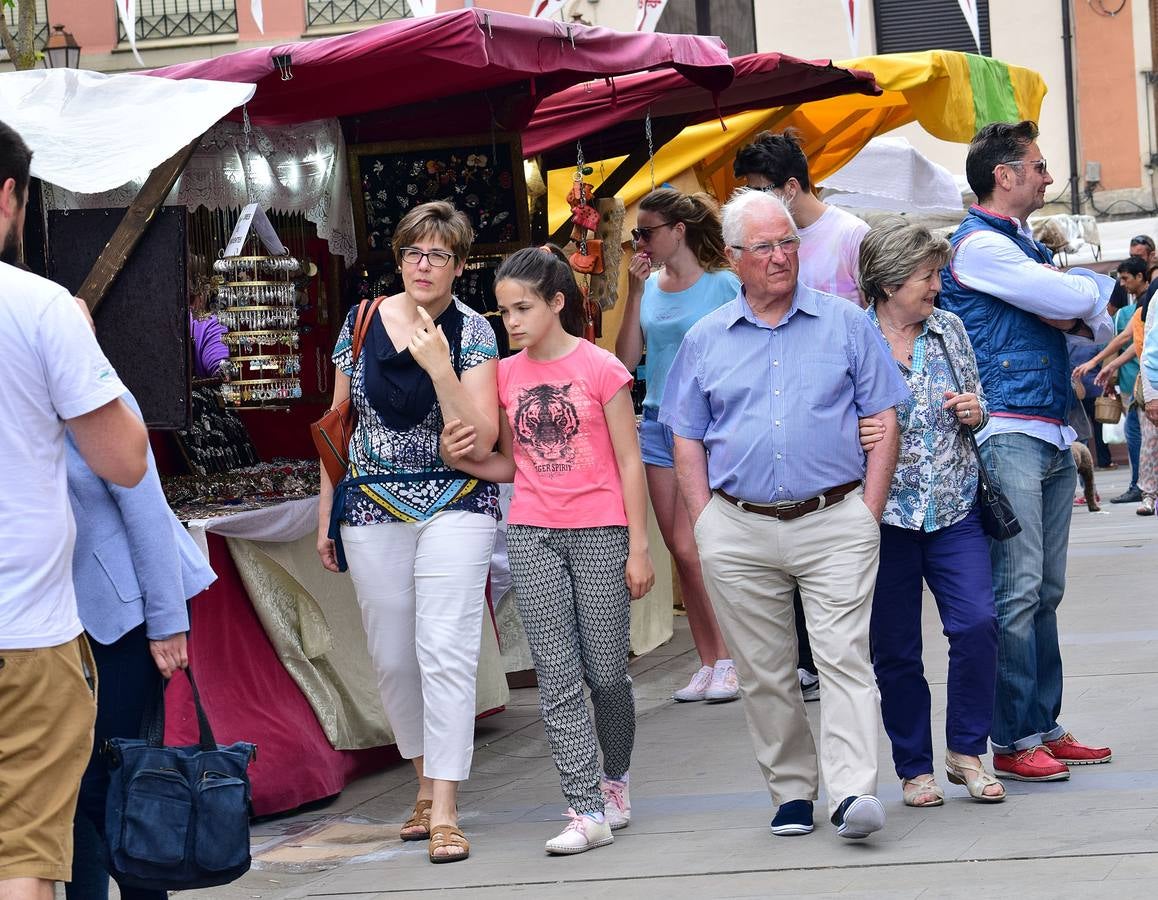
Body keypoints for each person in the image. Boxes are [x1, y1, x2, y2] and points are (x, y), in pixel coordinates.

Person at [661, 189, 908, 841]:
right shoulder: (705, 338)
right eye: (764, 247)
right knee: (764, 671)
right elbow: (684, 434)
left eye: (788, 243)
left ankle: (853, 792)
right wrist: (705, 519)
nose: (780, 257)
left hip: (834, 519)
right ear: (735, 259)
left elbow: (883, 416)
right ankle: (793, 790)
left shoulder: (846, 323)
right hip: (737, 526)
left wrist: (868, 513)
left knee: (844, 657)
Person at [441, 246, 653, 855]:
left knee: (607, 673)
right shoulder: (505, 376)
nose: (510, 321)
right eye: (504, 310)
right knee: (558, 677)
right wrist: (469, 460)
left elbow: (629, 461)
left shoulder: (602, 368)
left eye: (522, 308)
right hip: (533, 532)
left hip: (601, 532)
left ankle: (614, 780)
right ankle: (584, 808)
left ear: (556, 303)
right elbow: (513, 462)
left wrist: (638, 546)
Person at [316, 201, 500, 864]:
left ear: (458, 264)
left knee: (445, 648)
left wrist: (440, 367)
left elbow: (482, 436)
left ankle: (446, 808)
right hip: (368, 504)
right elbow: (338, 425)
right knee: (393, 656)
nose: (426, 265)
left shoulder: (475, 330)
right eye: (414, 253)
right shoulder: (361, 322)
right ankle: (424, 783)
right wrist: (325, 514)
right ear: (398, 260)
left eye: (440, 254)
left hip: (457, 499)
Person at [938, 120, 1115, 783]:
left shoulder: (1011, 245)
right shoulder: (981, 247)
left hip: (1042, 426)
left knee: (1043, 590)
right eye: (1039, 166)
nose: (1048, 176)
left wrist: (1075, 304)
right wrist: (1073, 302)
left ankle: (1042, 724)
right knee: (1018, 591)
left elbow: (1093, 312)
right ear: (1004, 174)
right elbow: (1081, 299)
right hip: (1006, 427)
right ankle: (1014, 740)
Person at [0, 121, 149, 900]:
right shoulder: (40, 307)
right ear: (9, 198)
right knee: (25, 849)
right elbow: (125, 459)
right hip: (24, 628)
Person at [856, 223, 1004, 807]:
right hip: (882, 514)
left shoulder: (949, 330)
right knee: (895, 649)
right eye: (928, 277)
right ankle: (914, 767)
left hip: (954, 504)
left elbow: (979, 402)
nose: (937, 288)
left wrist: (974, 409)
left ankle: (967, 750)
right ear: (891, 282)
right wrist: (853, 431)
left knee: (976, 624)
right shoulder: (852, 334)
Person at [66, 387, 216, 900]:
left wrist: (167, 620)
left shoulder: (89, 386)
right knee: (71, 782)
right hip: (50, 617)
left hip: (126, 608)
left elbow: (146, 508)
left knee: (116, 776)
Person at [614, 187, 741, 704]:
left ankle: (730, 658)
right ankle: (709, 661)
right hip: (655, 419)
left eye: (646, 232)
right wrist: (635, 294)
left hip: (707, 425)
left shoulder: (723, 285)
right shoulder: (652, 288)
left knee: (696, 547)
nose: (639, 242)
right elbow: (624, 363)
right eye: (636, 234)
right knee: (680, 551)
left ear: (678, 231)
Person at [733, 129, 869, 306]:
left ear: (791, 187)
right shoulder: (763, 240)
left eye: (761, 191)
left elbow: (875, 314)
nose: (753, 199)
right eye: (750, 192)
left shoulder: (853, 233)